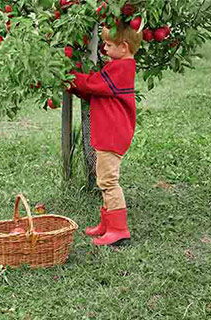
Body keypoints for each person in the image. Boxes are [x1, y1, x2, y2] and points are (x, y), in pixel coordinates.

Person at [69, 23, 143, 246]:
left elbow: (94, 84)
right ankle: (107, 224)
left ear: (124, 47)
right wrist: (72, 85)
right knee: (104, 179)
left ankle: (119, 230)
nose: (104, 48)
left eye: (109, 45)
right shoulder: (118, 65)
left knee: (109, 181)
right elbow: (95, 91)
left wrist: (70, 75)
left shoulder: (121, 68)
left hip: (112, 134)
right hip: (109, 133)